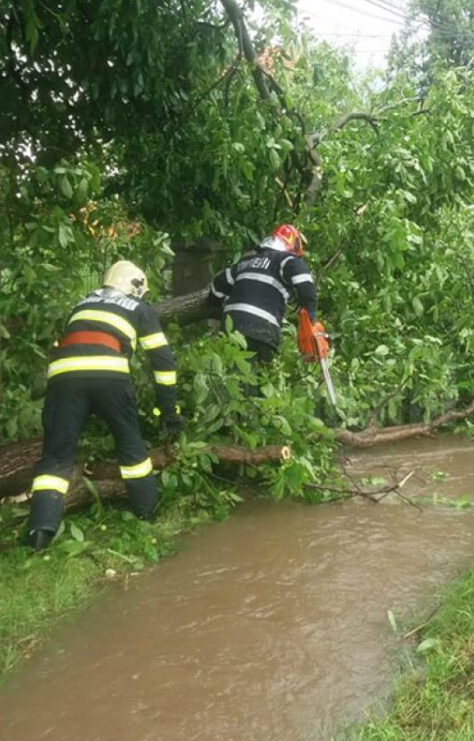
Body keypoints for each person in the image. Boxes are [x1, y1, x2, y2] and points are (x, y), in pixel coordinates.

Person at [26, 260, 183, 551]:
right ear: (135, 286)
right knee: (131, 447)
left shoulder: (81, 305)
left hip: (63, 376)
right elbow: (163, 361)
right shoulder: (138, 308)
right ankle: (146, 514)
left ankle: (40, 532)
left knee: (56, 456)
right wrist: (168, 410)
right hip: (110, 373)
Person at [209, 223, 326, 366]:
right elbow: (306, 288)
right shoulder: (287, 260)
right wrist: (311, 319)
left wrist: (216, 304)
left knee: (229, 378)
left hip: (230, 329)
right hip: (261, 333)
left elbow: (217, 285)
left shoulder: (245, 262)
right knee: (254, 379)